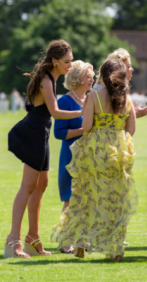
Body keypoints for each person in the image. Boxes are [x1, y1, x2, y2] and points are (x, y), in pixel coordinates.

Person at [5, 40, 85, 259]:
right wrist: (84, 113)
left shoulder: (52, 78)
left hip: (41, 134)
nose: (70, 65)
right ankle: (14, 239)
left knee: (42, 185)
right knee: (28, 186)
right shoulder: (46, 80)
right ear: (54, 61)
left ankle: (33, 237)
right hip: (32, 133)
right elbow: (56, 112)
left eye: (71, 61)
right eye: (67, 61)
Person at [51, 59, 137, 262]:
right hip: (119, 150)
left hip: (95, 151)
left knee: (86, 195)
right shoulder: (127, 98)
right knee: (116, 199)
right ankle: (116, 249)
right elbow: (131, 129)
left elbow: (87, 125)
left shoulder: (94, 96)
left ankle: (80, 245)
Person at [54, 60, 94, 253]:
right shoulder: (64, 101)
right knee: (70, 200)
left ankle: (81, 240)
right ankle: (65, 242)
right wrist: (83, 130)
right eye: (88, 77)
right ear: (77, 79)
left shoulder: (90, 98)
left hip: (88, 158)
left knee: (86, 200)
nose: (92, 80)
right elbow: (59, 133)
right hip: (71, 158)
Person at [93, 48, 147, 118]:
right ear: (118, 68)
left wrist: (129, 112)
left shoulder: (109, 87)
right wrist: (134, 115)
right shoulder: (107, 89)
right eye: (128, 66)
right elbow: (111, 122)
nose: (132, 69)